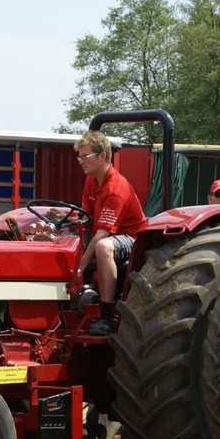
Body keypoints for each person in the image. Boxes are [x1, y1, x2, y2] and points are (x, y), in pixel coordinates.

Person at [74, 130, 147, 336]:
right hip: (106, 233)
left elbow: (102, 234)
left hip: (132, 238)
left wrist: (79, 268)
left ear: (102, 156)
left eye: (85, 156)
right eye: (79, 157)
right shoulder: (92, 180)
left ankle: (106, 314)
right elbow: (86, 216)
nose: (81, 161)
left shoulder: (115, 189)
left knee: (103, 247)